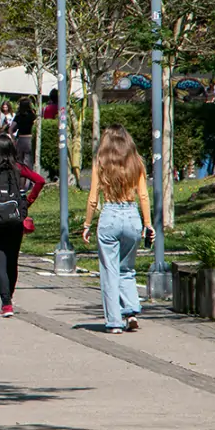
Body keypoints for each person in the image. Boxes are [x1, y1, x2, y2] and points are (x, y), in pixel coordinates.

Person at [82, 125, 154, 334]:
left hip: (110, 215)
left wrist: (87, 224)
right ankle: (131, 311)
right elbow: (143, 196)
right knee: (127, 268)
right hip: (132, 216)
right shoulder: (136, 163)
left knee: (109, 272)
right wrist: (147, 223)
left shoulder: (101, 163)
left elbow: (93, 198)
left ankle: (114, 322)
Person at [0, 134, 45, 317]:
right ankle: (8, 299)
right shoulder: (18, 168)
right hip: (15, 219)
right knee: (12, 261)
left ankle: (6, 304)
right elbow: (40, 180)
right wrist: (27, 202)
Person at [10, 97, 37, 170]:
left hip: (20, 139)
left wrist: (13, 139)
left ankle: (20, 180)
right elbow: (36, 127)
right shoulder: (32, 115)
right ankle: (29, 179)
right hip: (29, 139)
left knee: (19, 163)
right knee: (28, 163)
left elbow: (11, 129)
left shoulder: (18, 116)